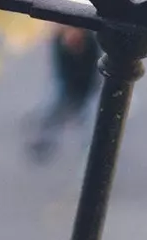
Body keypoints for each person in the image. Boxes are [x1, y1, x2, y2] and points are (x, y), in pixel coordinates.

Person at [27, 25, 99, 161]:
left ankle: (91, 152)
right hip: (67, 84)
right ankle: (43, 140)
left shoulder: (90, 43)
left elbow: (93, 74)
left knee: (90, 116)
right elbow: (61, 72)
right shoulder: (59, 43)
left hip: (86, 87)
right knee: (51, 107)